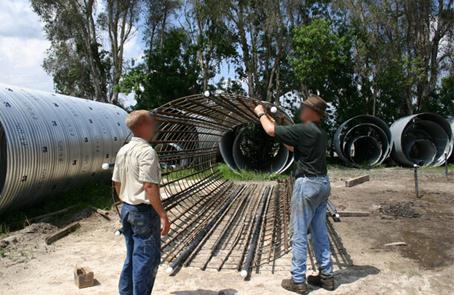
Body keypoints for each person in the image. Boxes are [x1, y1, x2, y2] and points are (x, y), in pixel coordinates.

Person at [254, 96, 334, 294]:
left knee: (299, 233)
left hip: (307, 184)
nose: (301, 109)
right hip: (322, 184)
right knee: (319, 232)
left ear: (312, 112)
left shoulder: (304, 129)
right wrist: (280, 129)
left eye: (304, 107)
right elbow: (292, 146)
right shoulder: (319, 133)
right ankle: (327, 277)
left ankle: (298, 280)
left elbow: (270, 131)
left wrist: (261, 113)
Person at [112, 110, 171, 295]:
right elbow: (149, 187)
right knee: (146, 259)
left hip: (127, 209)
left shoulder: (124, 150)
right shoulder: (147, 152)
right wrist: (163, 215)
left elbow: (116, 182)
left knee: (132, 255)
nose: (155, 127)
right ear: (143, 124)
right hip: (143, 213)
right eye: (152, 123)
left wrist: (126, 200)